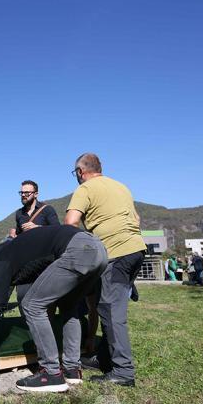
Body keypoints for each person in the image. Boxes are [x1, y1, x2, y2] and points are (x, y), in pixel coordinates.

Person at [0, 225, 107, 392]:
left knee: (31, 305)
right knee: (69, 305)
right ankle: (72, 369)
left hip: (79, 249)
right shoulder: (18, 250)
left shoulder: (0, 259)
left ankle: (50, 373)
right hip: (98, 248)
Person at [64, 153, 145, 387]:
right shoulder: (120, 187)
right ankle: (104, 358)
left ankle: (123, 372)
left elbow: (70, 222)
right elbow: (136, 218)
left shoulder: (86, 188)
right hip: (135, 249)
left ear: (80, 172)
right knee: (105, 304)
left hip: (116, 254)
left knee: (111, 311)